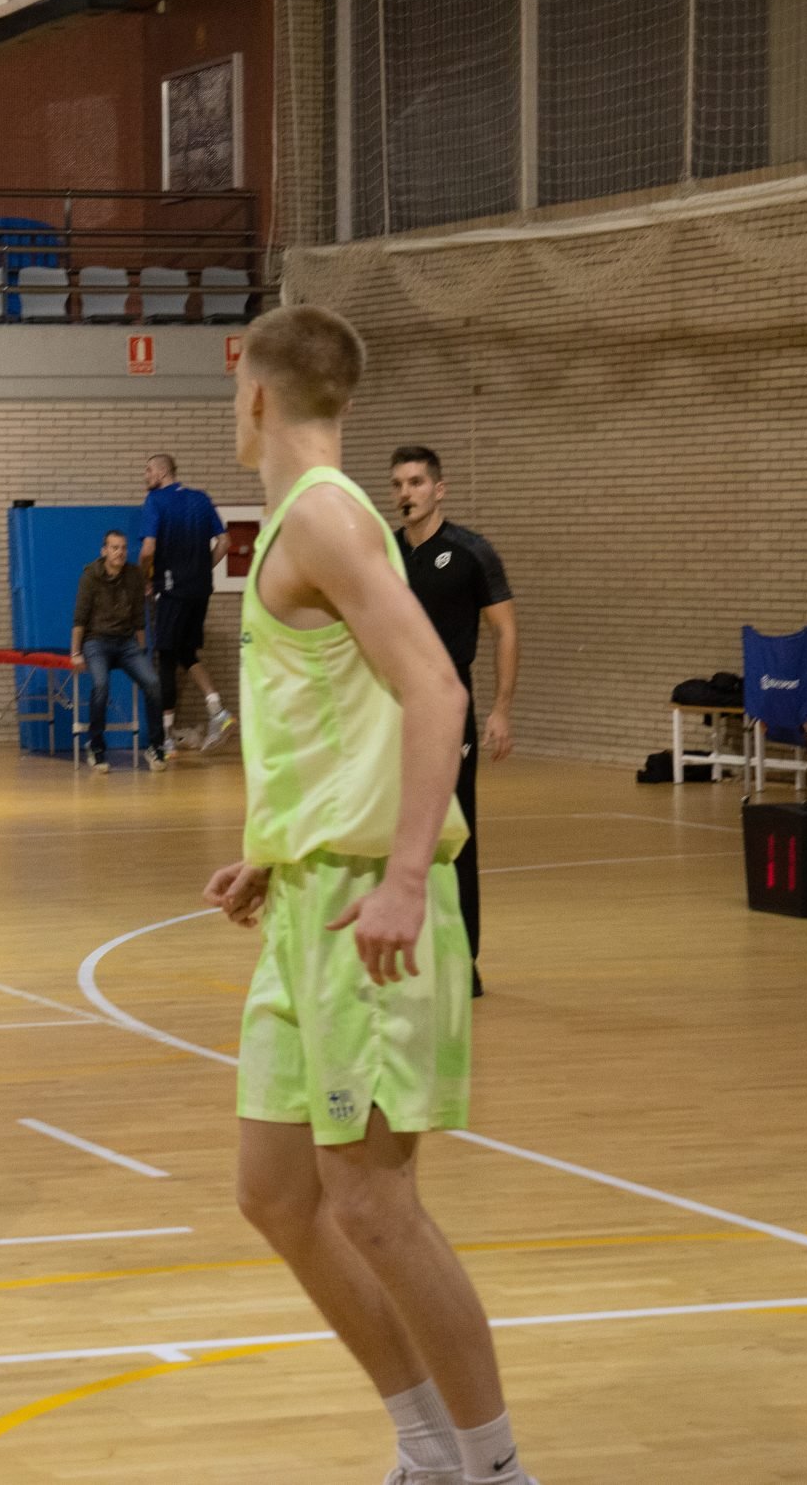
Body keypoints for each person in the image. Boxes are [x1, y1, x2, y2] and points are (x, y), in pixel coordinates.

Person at [204, 305, 532, 1485]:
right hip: (308, 894)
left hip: (364, 912)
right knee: (274, 1196)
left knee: (373, 1202)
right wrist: (274, 850)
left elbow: (436, 691)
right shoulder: (309, 519)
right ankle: (427, 1451)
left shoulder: (331, 518)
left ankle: (494, 1472)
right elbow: (349, 711)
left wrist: (400, 879)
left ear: (257, 394)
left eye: (231, 378)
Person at [390, 446, 518, 997]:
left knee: (455, 831)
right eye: (397, 484)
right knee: (392, 830)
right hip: (392, 708)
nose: (405, 494)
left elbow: (505, 631)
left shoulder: (471, 552)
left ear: (439, 489)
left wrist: (501, 709)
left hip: (449, 709)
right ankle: (398, 954)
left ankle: (463, 960)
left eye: (416, 482)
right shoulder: (385, 554)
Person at [139, 454, 235, 752]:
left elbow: (148, 549)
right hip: (200, 589)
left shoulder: (156, 501)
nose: (145, 476)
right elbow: (225, 542)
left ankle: (166, 738)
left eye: (148, 470)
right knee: (186, 653)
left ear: (162, 472)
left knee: (166, 657)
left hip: (171, 590)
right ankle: (217, 711)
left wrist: (146, 578)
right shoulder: (201, 499)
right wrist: (203, 569)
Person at [71, 530, 169, 774]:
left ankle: (156, 747)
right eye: (114, 547)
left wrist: (142, 649)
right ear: (104, 550)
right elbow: (80, 616)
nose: (120, 552)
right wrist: (75, 652)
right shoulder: (90, 575)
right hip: (96, 642)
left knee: (154, 683)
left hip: (126, 643)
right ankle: (96, 746)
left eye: (124, 548)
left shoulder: (135, 575)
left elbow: (139, 617)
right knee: (101, 686)